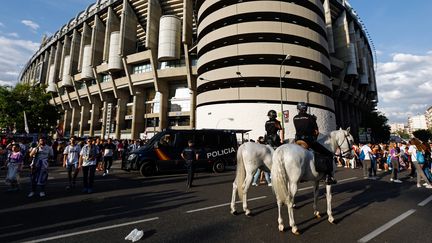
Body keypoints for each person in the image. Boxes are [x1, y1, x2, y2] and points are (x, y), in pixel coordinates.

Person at [293, 102, 336, 185]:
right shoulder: (310, 117)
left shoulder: (295, 118)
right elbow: (316, 132)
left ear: (298, 109)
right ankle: (328, 176)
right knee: (328, 154)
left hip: (297, 141)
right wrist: (314, 121)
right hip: (308, 141)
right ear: (305, 109)